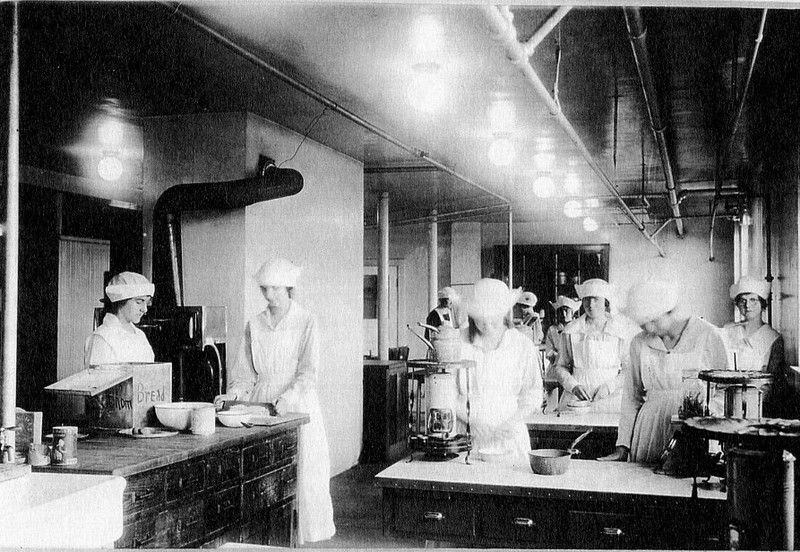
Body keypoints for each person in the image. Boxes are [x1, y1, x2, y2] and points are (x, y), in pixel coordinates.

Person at [213, 258, 335, 544]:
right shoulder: (254, 324)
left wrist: (287, 398)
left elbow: (308, 372)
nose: (269, 296)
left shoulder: (306, 321)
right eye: (264, 289)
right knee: (262, 473)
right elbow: (244, 374)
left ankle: (295, 538)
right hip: (261, 403)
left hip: (297, 403)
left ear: (288, 288)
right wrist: (233, 395)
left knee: (302, 472)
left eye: (275, 289)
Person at [599, 278, 728, 463]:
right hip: (650, 429)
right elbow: (631, 397)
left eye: (653, 320)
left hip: (697, 429)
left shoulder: (708, 336)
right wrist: (623, 445)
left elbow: (726, 390)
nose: (649, 328)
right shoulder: (639, 342)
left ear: (668, 311)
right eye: (643, 324)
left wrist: (705, 414)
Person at [455, 278, 542, 466]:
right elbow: (445, 393)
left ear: (504, 312)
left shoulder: (521, 345)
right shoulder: (457, 343)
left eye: (492, 316)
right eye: (480, 317)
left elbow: (533, 394)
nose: (486, 324)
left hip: (509, 437)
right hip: (467, 437)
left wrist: (512, 422)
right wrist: (472, 422)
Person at [548, 279, 630, 413]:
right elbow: (560, 366)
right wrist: (573, 385)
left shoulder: (618, 330)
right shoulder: (571, 330)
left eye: (596, 299)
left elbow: (629, 369)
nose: (590, 305)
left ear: (605, 302)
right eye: (587, 299)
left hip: (611, 399)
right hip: (577, 399)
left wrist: (610, 387)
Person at [723, 275, 786, 417]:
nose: (747, 305)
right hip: (727, 401)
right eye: (742, 301)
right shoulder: (728, 331)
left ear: (762, 304)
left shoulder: (773, 338)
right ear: (737, 304)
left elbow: (772, 382)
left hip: (757, 406)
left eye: (753, 300)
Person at [84, 271, 155, 366]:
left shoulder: (140, 335)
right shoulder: (102, 338)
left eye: (146, 303)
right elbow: (97, 379)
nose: (144, 309)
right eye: (139, 301)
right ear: (121, 301)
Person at [544, 295, 581, 368]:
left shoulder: (578, 328)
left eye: (567, 310)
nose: (564, 314)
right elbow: (549, 352)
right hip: (557, 366)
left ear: (572, 312)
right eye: (561, 311)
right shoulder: (552, 330)